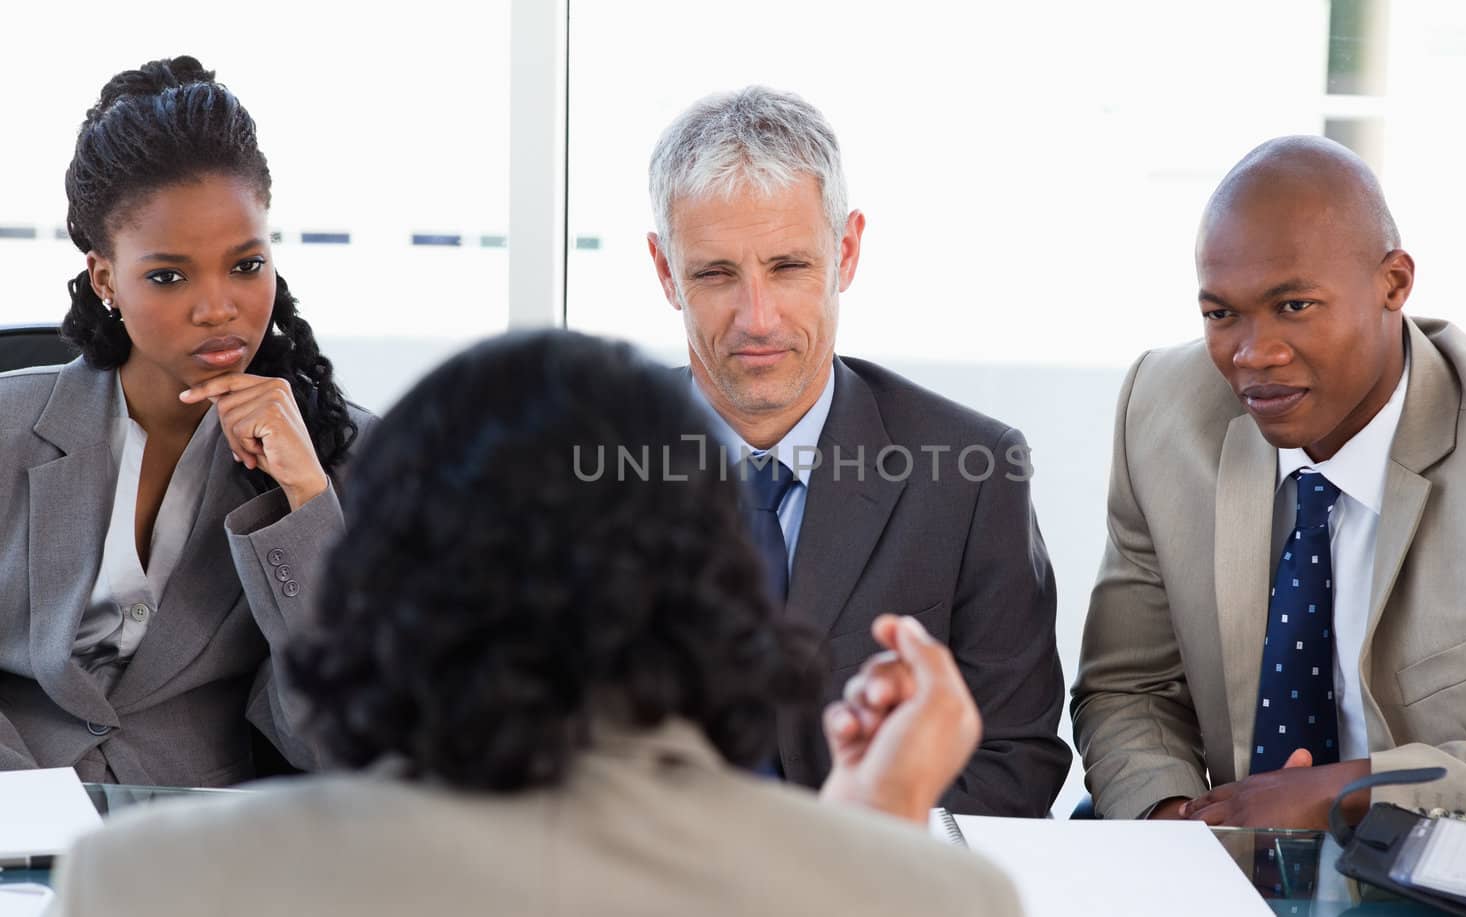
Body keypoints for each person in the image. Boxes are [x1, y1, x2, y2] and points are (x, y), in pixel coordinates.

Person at [46, 330, 1022, 917]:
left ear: (382, 582)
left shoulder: (140, 881)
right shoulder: (933, 899)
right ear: (720, 590)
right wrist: (863, 851)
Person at [1071, 135, 1466, 830]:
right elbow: (1128, 686)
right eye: (1220, 313)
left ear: (1394, 284)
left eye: (1294, 306)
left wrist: (1355, 792)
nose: (1254, 353)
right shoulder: (1161, 413)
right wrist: (1176, 820)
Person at [644, 86, 1072, 817]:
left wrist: (842, 867)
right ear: (664, 272)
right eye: (716, 274)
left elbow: (1015, 758)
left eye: (788, 267)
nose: (758, 317)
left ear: (845, 252)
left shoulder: (974, 472)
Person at [0, 56, 372, 784]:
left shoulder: (350, 455)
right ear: (105, 277)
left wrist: (305, 502)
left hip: (206, 851)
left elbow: (343, 744)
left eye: (245, 265)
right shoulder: (8, 428)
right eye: (168, 276)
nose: (218, 307)